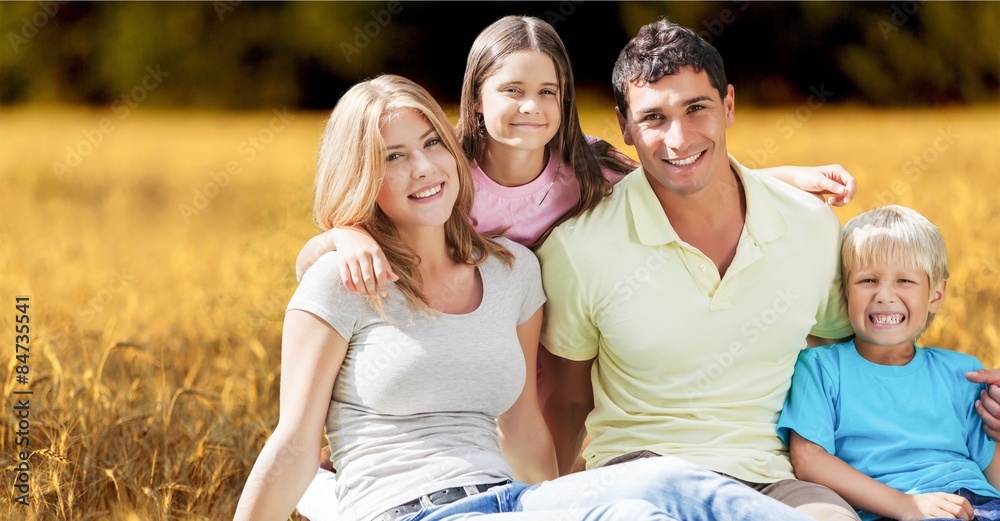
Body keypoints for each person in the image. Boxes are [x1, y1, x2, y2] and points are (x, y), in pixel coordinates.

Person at [235, 74, 813, 521]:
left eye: (432, 143)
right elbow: (294, 444)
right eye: (393, 157)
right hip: (408, 508)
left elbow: (524, 427)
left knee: (665, 486)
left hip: (508, 501)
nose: (424, 168)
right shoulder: (342, 280)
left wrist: (569, 503)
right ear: (360, 174)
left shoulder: (512, 273)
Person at [534, 18, 864, 520]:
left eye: (696, 108)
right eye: (653, 118)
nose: (679, 138)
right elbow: (567, 404)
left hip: (773, 475)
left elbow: (857, 355)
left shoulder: (810, 224)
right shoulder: (579, 249)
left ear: (728, 105)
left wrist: (966, 395)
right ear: (625, 126)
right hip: (639, 477)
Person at [294, 15, 857, 291]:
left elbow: (677, 174)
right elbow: (312, 259)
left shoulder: (587, 169)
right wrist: (347, 234)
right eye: (511, 92)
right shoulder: (442, 172)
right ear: (475, 97)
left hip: (552, 355)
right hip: (464, 351)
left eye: (548, 92)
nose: (531, 108)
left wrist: (778, 179)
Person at [776, 205, 1000, 521]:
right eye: (868, 280)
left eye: (904, 281)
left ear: (936, 294)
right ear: (844, 292)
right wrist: (905, 505)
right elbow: (809, 458)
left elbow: (993, 468)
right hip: (892, 509)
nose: (884, 295)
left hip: (981, 506)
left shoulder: (964, 373)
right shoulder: (822, 368)